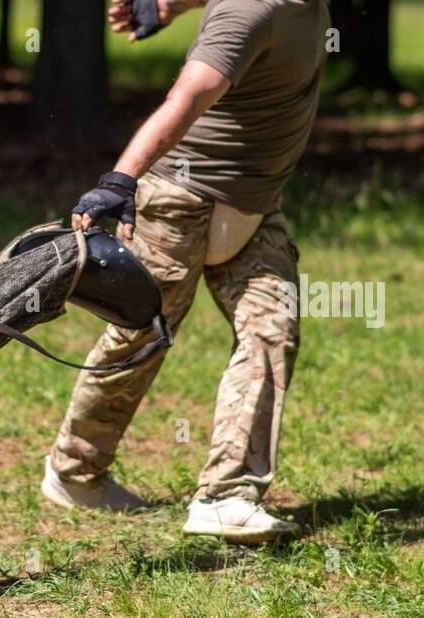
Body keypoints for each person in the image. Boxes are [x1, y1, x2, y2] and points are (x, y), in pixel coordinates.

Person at [41, 0, 329, 543]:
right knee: (141, 337)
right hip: (182, 198)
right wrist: (120, 179)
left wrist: (168, 5)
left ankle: (227, 497)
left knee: (272, 331)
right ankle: (74, 473)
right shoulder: (250, 12)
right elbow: (188, 95)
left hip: (255, 203)